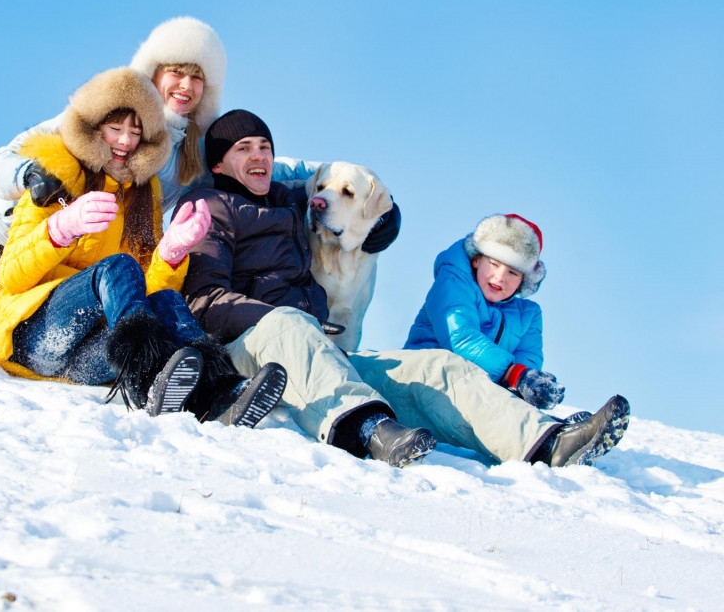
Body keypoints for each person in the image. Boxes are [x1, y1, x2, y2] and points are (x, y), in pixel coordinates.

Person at [0, 17, 378, 344]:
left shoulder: (197, 150)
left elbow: (274, 166)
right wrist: (30, 176)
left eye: (197, 76)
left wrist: (374, 204)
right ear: (154, 71)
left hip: (81, 256)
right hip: (8, 229)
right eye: (176, 71)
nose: (186, 85)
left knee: (24, 329)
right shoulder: (109, 110)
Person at [176, 109, 629, 468]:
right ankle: (371, 429)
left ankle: (547, 439)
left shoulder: (294, 201)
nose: (259, 155)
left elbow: (355, 193)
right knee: (293, 324)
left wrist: (387, 220)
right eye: (243, 148)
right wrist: (280, 320)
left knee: (437, 367)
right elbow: (203, 301)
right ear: (218, 163)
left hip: (315, 350)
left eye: (265, 147)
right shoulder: (207, 206)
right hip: (247, 352)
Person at [0, 68, 286, 425]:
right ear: (94, 127)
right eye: (116, 128)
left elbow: (146, 293)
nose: (126, 141)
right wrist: (59, 230)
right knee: (119, 267)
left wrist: (171, 255)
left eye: (136, 132)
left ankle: (220, 391)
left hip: (95, 353)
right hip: (33, 338)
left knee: (168, 300)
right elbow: (11, 275)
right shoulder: (58, 175)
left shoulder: (144, 196)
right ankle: (149, 382)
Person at [404, 214, 621, 426]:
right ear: (477, 259)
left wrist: (530, 385)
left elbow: (527, 359)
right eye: (494, 263)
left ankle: (555, 433)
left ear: (524, 281)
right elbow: (460, 337)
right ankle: (546, 439)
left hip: (476, 397)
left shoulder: (529, 314)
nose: (500, 277)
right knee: (474, 389)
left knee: (507, 407)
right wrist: (513, 373)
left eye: (513, 272)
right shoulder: (454, 282)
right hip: (427, 383)